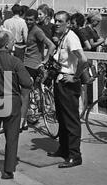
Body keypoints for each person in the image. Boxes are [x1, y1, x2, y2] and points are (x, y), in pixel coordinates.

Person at [0, 30, 32, 179]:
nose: (13, 44)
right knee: (12, 136)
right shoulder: (15, 61)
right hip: (12, 101)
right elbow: (26, 83)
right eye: (12, 42)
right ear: (7, 44)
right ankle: (8, 170)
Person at [47, 11, 88, 168]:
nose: (56, 23)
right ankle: (64, 149)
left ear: (68, 23)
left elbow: (84, 60)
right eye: (55, 20)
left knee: (71, 120)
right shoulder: (63, 36)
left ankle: (74, 155)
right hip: (60, 80)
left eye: (60, 21)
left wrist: (75, 77)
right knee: (62, 117)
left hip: (68, 82)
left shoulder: (71, 38)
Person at [20, 9, 56, 131]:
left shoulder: (37, 31)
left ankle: (23, 122)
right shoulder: (29, 29)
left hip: (33, 65)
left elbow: (51, 45)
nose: (28, 22)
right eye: (27, 19)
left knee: (24, 93)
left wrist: (45, 61)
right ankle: (31, 114)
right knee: (32, 92)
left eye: (31, 20)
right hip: (28, 64)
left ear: (35, 20)